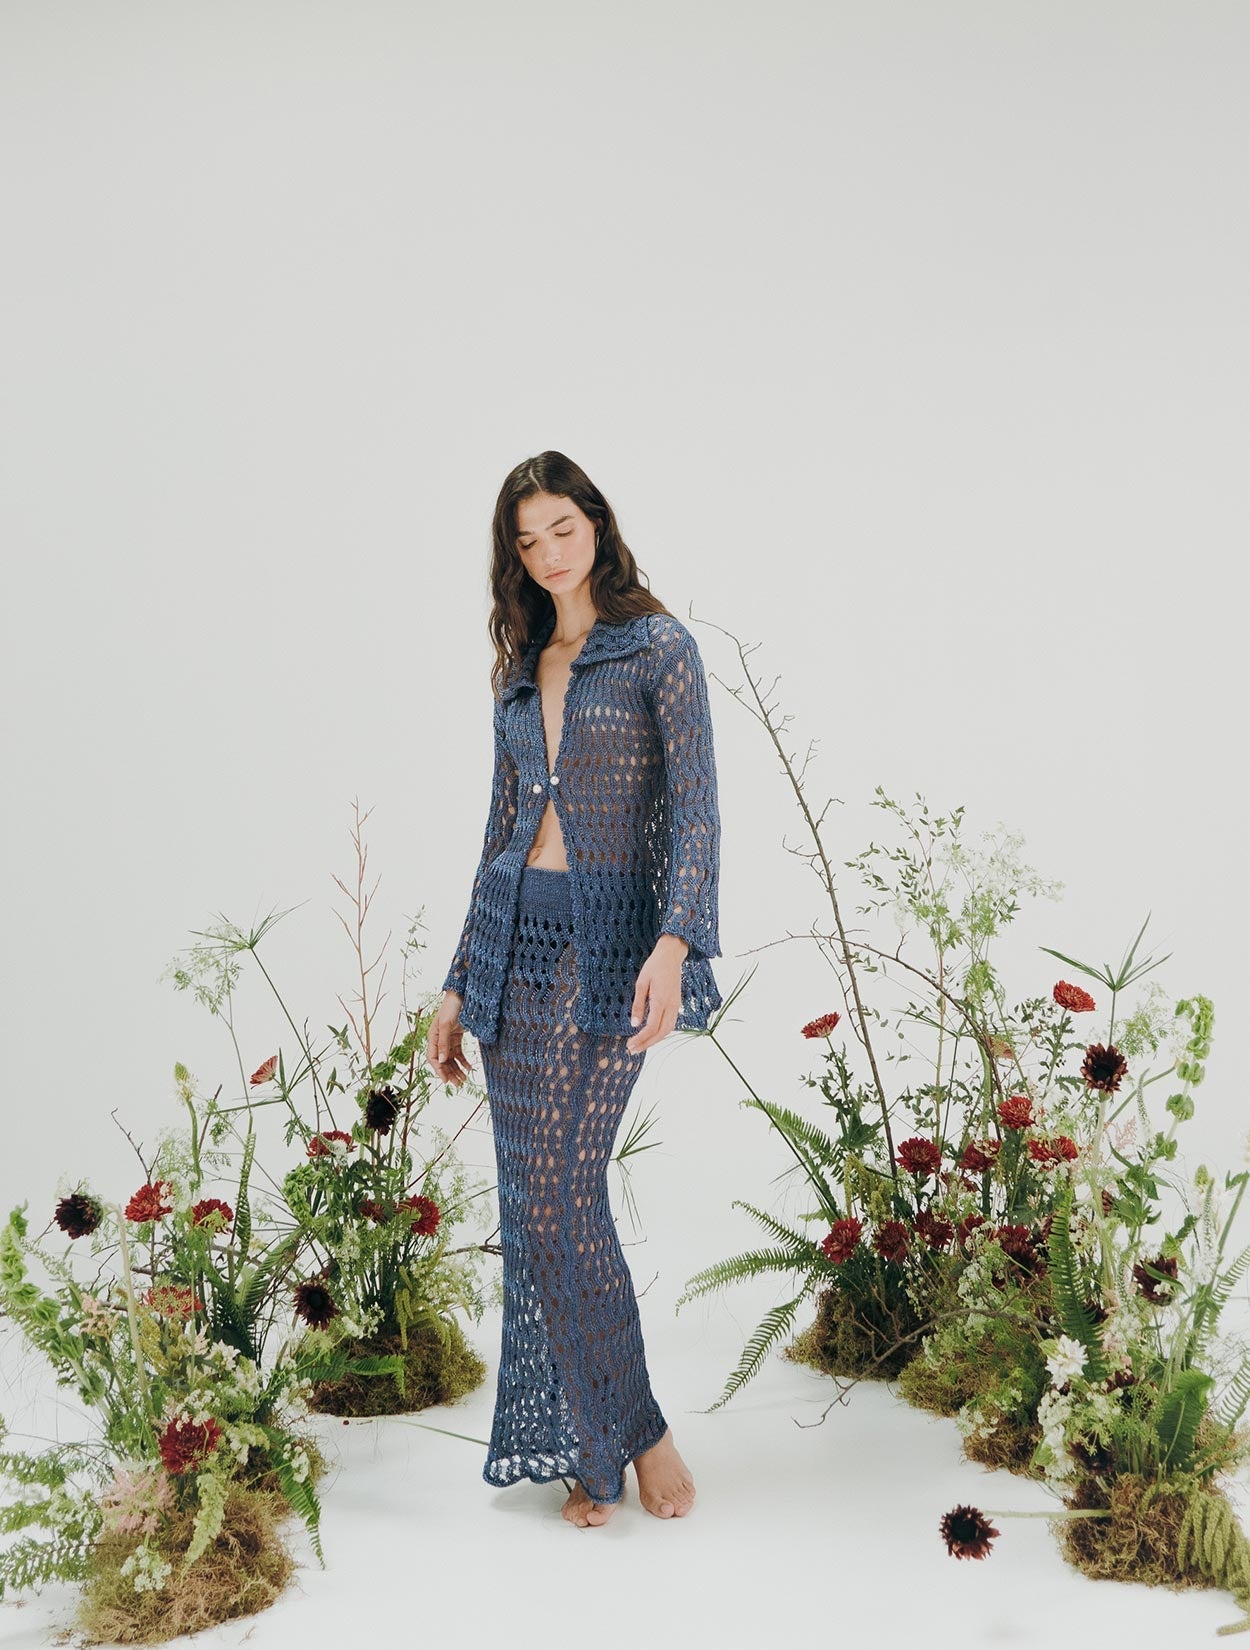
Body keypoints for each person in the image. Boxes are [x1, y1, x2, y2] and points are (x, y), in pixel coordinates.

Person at [426, 449, 723, 1529]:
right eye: (527, 540)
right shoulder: (521, 666)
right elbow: (499, 829)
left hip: (608, 952)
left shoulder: (658, 649)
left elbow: (696, 811)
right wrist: (458, 980)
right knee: (531, 1210)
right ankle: (594, 1443)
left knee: (565, 1197)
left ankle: (637, 1431)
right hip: (514, 945)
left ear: (595, 522)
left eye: (561, 527)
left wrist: (675, 942)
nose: (548, 552)